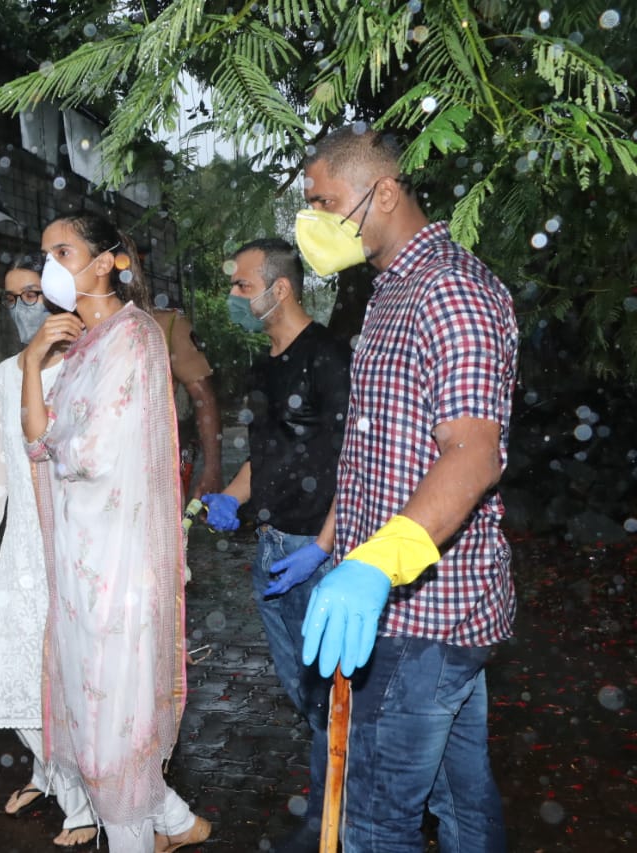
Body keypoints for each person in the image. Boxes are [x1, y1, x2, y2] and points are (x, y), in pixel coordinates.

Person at [298, 126, 517, 851]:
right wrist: (331, 547)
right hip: (404, 607)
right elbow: (373, 451)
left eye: (326, 203)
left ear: (383, 192)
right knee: (460, 803)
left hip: (421, 616)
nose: (314, 224)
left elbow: (471, 456)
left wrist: (374, 566)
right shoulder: (389, 289)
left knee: (374, 819)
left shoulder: (450, 291)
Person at [20, 212, 211, 853]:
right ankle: (178, 824)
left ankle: (139, 835)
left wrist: (53, 439)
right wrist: (30, 364)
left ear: (106, 262)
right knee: (97, 705)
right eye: (45, 253)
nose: (51, 265)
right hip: (82, 560)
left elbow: (86, 450)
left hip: (119, 563)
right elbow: (40, 440)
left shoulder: (133, 338)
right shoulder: (79, 347)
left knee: (113, 723)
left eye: (64, 251)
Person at [201, 238, 350, 853]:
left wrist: (323, 544)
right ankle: (339, 807)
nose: (233, 296)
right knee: (305, 695)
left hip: (317, 555)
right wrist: (233, 496)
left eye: (241, 285)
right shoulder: (264, 365)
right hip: (271, 549)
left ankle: (331, 822)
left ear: (278, 288)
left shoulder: (330, 358)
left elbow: (356, 463)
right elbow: (265, 455)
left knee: (327, 698)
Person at [0, 256, 96, 849]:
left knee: (67, 680)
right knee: (15, 677)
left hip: (76, 547)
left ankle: (82, 801)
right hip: (21, 551)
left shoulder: (89, 367)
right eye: (13, 297)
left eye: (34, 294)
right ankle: (50, 773)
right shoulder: (5, 376)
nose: (24, 308)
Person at [151, 305, 223, 497]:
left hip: (156, 465)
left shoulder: (167, 323)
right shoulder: (73, 328)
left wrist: (212, 468)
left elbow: (203, 396)